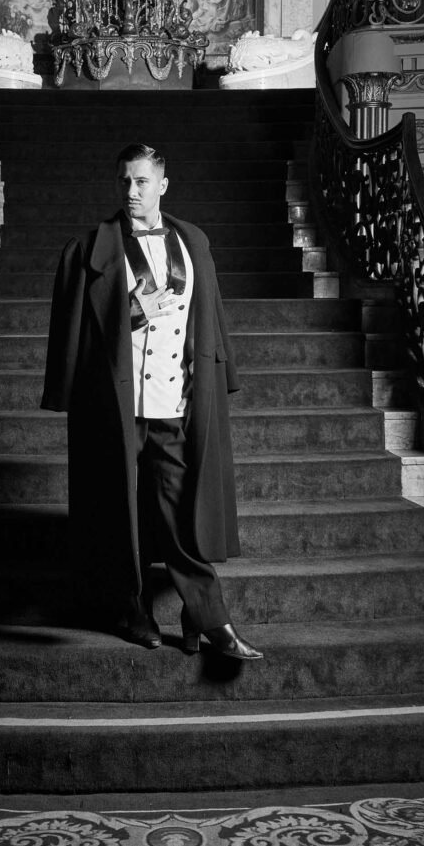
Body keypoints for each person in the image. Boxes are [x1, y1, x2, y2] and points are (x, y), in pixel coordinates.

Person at [41, 144, 263, 661]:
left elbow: (209, 318)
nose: (131, 192)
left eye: (142, 181)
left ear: (163, 184)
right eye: (124, 181)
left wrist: (216, 375)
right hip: (114, 404)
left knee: (183, 514)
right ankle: (131, 610)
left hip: (173, 402)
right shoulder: (88, 250)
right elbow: (73, 335)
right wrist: (132, 312)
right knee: (117, 513)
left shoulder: (194, 243)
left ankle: (208, 618)